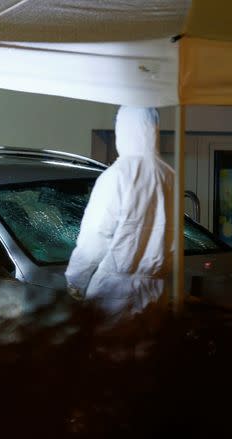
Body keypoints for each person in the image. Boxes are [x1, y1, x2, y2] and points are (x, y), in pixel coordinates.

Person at [65, 106, 174, 323]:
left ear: (123, 129)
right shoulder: (169, 176)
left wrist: (76, 279)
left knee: (111, 353)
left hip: (114, 293)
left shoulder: (117, 175)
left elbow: (96, 234)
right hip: (157, 290)